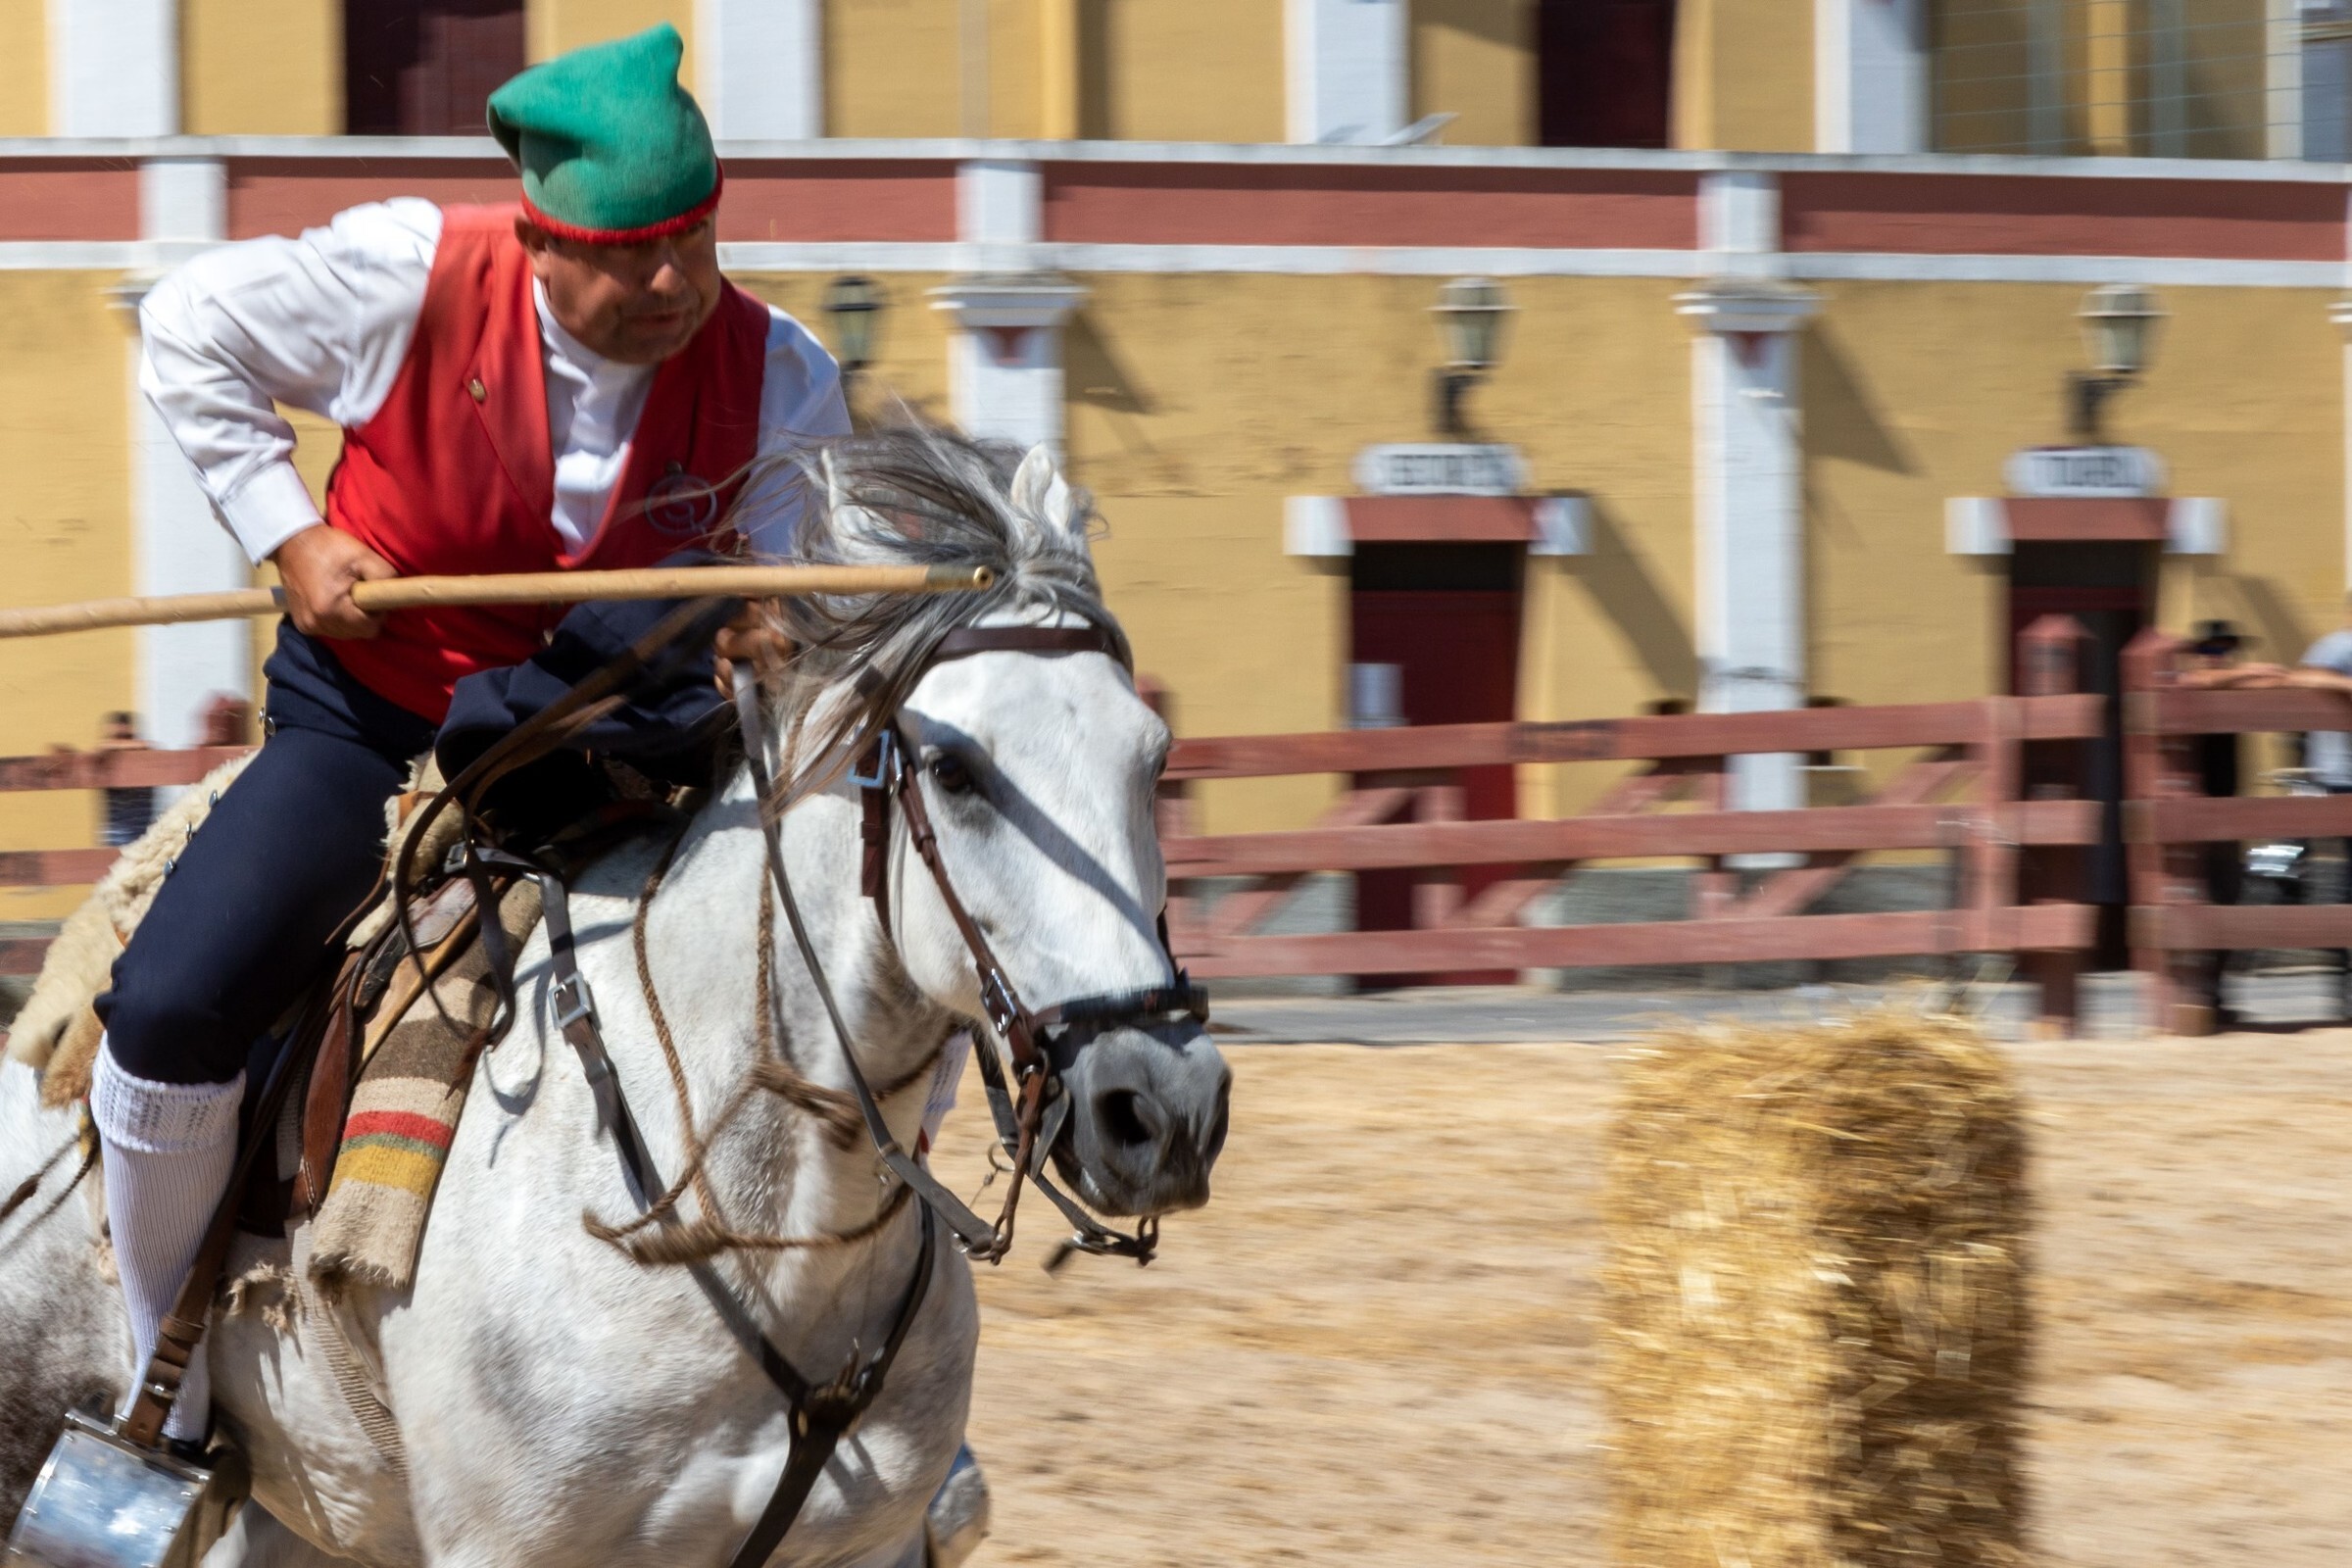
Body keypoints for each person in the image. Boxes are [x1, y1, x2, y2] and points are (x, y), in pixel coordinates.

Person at [89, 24, 845, 1453]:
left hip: (624, 751)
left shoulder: (782, 370)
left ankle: (861, 1344)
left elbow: (780, 577)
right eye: (636, 258)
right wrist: (290, 528)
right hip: (378, 732)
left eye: (698, 240)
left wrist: (771, 618)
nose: (678, 284)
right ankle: (163, 1386)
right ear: (544, 243)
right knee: (173, 1007)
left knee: (861, 970)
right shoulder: (401, 275)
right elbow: (188, 326)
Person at [94, 711, 158, 848]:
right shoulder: (104, 760)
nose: (120, 742)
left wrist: (117, 745)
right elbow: (98, 750)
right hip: (114, 841)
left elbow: (146, 746)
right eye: (117, 737)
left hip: (143, 840)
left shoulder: (146, 756)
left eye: (126, 736)